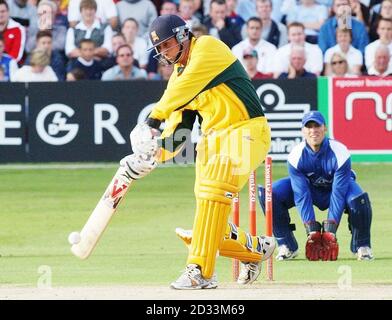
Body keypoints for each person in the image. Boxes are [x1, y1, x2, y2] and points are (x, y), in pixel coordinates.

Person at [119, 14, 275, 289]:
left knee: (214, 190)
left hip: (246, 130)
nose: (163, 53)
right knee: (209, 207)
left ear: (182, 36)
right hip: (212, 140)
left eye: (166, 45)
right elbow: (179, 129)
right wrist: (151, 155)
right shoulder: (179, 77)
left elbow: (182, 89)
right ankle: (256, 250)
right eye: (159, 49)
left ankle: (200, 271)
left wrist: (151, 120)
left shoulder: (208, 48)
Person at [258, 111, 374, 262]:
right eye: (309, 126)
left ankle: (362, 246)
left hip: (337, 189)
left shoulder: (340, 152)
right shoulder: (295, 156)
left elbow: (338, 193)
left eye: (317, 126)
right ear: (303, 131)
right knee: (270, 194)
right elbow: (301, 194)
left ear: (325, 128)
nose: (313, 130)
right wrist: (311, 229)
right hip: (309, 190)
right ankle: (286, 245)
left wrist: (330, 230)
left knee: (359, 200)